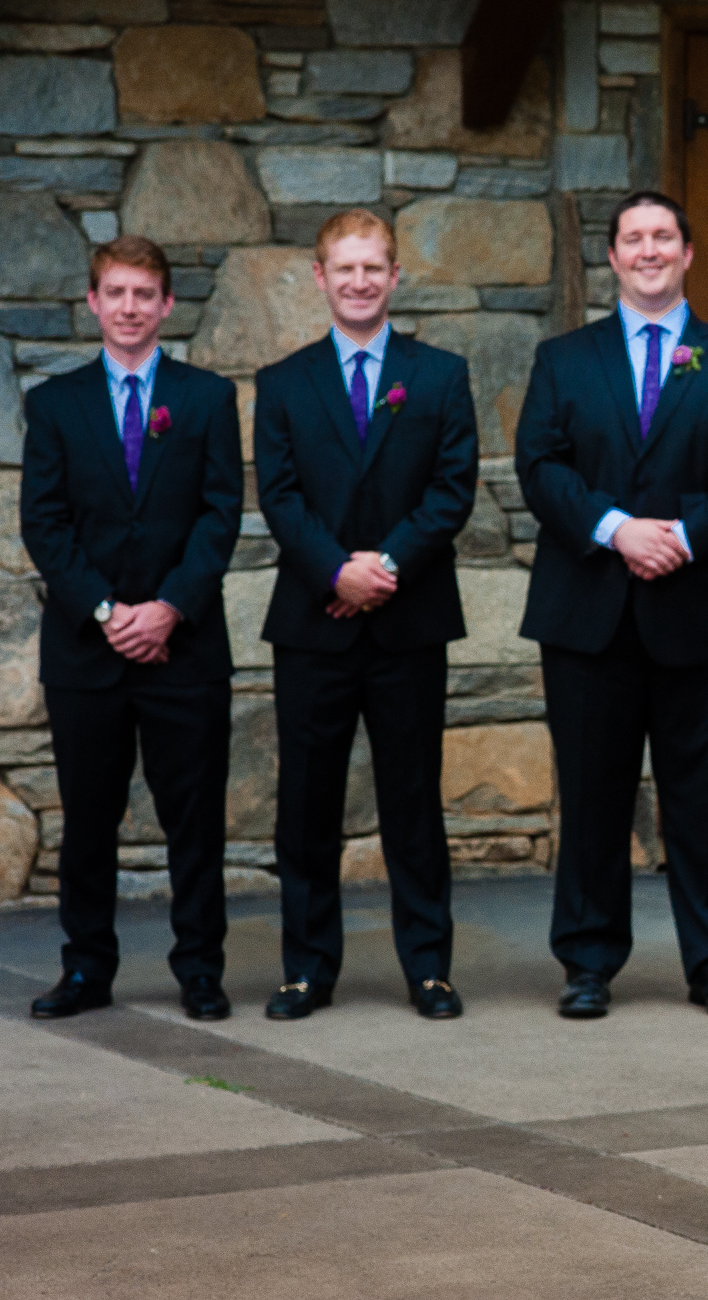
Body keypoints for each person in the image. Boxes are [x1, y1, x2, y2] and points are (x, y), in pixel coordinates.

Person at [515, 191, 708, 1020]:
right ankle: (588, 963)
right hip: (589, 613)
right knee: (592, 794)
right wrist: (615, 529)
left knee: (701, 800)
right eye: (633, 238)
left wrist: (684, 535)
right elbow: (541, 463)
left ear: (687, 252)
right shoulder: (565, 359)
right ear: (613, 257)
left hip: (700, 612)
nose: (648, 250)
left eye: (663, 235)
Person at [252, 209, 479, 1021]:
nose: (358, 281)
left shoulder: (441, 374)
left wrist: (382, 567)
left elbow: (452, 489)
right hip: (313, 625)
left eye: (372, 268)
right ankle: (306, 970)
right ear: (319, 278)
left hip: (407, 620)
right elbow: (277, 494)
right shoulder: (282, 382)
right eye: (343, 269)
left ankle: (429, 968)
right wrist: (334, 570)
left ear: (393, 276)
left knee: (413, 802)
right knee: (307, 807)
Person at [20, 236, 243, 1021]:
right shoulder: (53, 404)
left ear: (166, 305)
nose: (128, 307)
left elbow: (221, 518)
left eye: (144, 294)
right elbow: (44, 526)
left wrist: (169, 608)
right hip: (89, 650)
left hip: (185, 646)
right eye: (114, 292)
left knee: (195, 818)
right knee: (88, 818)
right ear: (92, 302)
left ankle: (200, 969)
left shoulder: (208, 398)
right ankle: (86, 969)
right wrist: (112, 613)